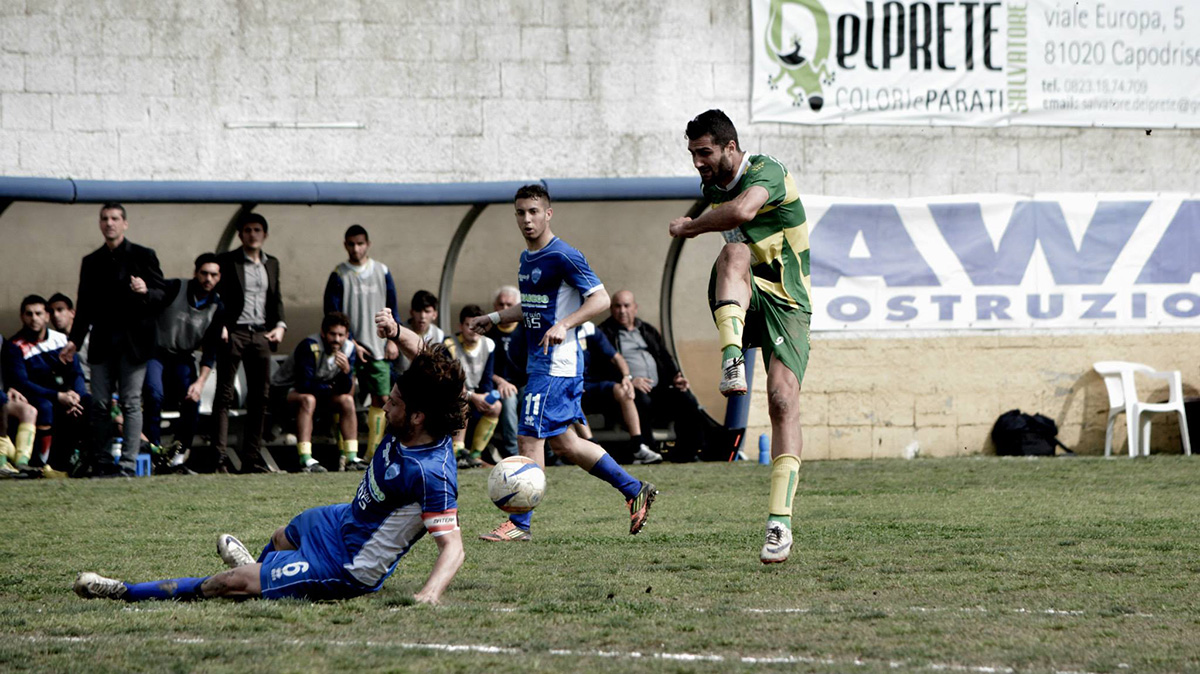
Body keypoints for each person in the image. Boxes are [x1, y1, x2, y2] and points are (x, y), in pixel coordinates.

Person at [73, 326, 466, 605]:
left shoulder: (431, 472)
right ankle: (263, 571)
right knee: (281, 536)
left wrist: (428, 594)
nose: (385, 404)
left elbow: (453, 547)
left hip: (349, 563)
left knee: (231, 583)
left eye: (394, 403)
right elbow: (431, 362)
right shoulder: (421, 408)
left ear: (417, 418)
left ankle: (125, 590)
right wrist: (397, 331)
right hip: (342, 520)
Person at [465, 184, 657, 542]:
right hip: (543, 365)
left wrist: (564, 325)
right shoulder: (527, 259)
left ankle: (519, 525)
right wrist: (492, 317)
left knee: (528, 438)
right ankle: (635, 490)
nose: (527, 219)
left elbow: (599, 299)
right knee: (566, 445)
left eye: (533, 212)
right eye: (520, 212)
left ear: (548, 213)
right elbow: (533, 305)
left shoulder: (563, 255)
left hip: (557, 366)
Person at [668, 110, 812, 564]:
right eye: (692, 153)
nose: (697, 162)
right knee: (733, 251)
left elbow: (746, 209)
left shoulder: (767, 170)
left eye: (704, 152)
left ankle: (779, 524)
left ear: (731, 147)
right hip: (744, 290)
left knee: (783, 400)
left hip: (788, 298)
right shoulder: (711, 186)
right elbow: (730, 222)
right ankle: (732, 357)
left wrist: (690, 226)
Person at [61, 203, 166, 477]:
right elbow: (83, 307)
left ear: (125, 224)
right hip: (102, 343)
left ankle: (129, 464)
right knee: (99, 403)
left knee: (131, 402)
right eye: (105, 219)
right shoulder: (91, 261)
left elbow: (161, 295)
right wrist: (74, 340)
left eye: (115, 219)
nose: (110, 223)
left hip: (134, 344)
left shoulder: (144, 255)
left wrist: (145, 291)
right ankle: (103, 461)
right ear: (100, 224)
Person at [598, 290, 709, 462]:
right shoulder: (604, 333)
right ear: (611, 309)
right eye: (617, 306)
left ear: (635, 308)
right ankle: (648, 450)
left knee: (685, 398)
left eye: (626, 306)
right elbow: (601, 367)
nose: (622, 310)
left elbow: (664, 356)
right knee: (641, 399)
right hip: (628, 392)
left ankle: (690, 451)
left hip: (659, 389)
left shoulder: (647, 330)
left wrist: (675, 378)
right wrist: (629, 381)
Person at [213, 213, 286, 474]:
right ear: (241, 234)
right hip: (234, 333)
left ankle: (251, 458)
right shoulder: (227, 261)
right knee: (224, 394)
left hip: (261, 334)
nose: (252, 234)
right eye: (247, 230)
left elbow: (276, 298)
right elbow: (216, 296)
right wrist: (219, 324)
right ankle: (218, 458)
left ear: (264, 235)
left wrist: (280, 325)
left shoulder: (272, 263)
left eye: (257, 230)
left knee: (260, 397)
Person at [323, 224, 399, 464]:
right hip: (349, 348)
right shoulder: (339, 274)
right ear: (345, 245)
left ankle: (372, 453)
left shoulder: (382, 271)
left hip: (378, 347)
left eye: (360, 243)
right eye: (351, 244)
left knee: (381, 398)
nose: (356, 248)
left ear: (368, 244)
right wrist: (350, 342)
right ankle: (345, 453)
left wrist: (393, 339)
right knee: (345, 396)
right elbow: (331, 314)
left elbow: (392, 306)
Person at [143, 253, 226, 471]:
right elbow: (149, 300)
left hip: (183, 356)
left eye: (213, 275)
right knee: (154, 394)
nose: (208, 279)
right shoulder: (175, 288)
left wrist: (199, 383)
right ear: (195, 273)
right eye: (204, 273)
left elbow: (210, 351)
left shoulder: (217, 306)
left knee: (193, 399)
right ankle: (153, 451)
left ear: (219, 278)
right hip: (157, 352)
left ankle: (179, 455)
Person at [5, 295, 89, 473]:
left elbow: (76, 373)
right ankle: (41, 464)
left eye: (38, 313)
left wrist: (77, 396)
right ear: (22, 316)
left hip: (66, 395)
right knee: (45, 407)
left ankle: (88, 459)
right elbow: (22, 383)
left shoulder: (61, 340)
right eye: (29, 314)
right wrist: (59, 397)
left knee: (90, 404)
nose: (34, 318)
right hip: (38, 396)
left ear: (46, 316)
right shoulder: (15, 345)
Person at [270, 312, 358, 473]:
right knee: (308, 399)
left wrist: (346, 372)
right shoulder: (310, 345)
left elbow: (344, 389)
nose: (336, 339)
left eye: (341, 335)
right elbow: (305, 385)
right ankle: (305, 459)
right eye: (332, 334)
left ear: (347, 335)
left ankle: (351, 457)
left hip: (319, 394)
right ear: (323, 333)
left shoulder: (349, 349)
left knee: (347, 400)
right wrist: (331, 389)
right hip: (284, 392)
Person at [577, 321, 662, 464]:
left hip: (593, 385)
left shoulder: (589, 328)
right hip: (570, 385)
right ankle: (594, 451)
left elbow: (617, 357)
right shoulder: (559, 329)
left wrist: (627, 377)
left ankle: (638, 447)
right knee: (570, 397)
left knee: (624, 390)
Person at [443, 304, 501, 468]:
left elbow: (487, 379)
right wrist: (471, 396)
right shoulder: (449, 345)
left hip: (475, 395)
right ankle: (458, 451)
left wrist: (484, 397)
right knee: (461, 401)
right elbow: (447, 382)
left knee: (496, 406)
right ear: (461, 326)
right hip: (452, 396)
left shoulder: (489, 345)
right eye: (469, 325)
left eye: (478, 325)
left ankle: (475, 455)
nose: (474, 330)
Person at [484, 285, 526, 460]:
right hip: (498, 386)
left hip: (525, 384)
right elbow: (483, 368)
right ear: (494, 307)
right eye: (500, 304)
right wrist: (500, 381)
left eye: (509, 305)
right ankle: (513, 452)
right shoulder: (488, 332)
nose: (504, 309)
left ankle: (549, 453)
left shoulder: (527, 330)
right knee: (508, 401)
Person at [0, 333, 39, 478]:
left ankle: (22, 462)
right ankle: (2, 461)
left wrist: (11, 387)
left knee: (29, 411)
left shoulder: (4, 343)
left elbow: (11, 373)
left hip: (2, 396)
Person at [392, 290, 444, 379]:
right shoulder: (400, 330)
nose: (422, 316)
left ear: (434, 314)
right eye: (418, 311)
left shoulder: (438, 334)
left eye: (427, 311)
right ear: (412, 312)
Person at [46, 293, 89, 389]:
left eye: (60, 310)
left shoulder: (89, 338)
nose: (55, 315)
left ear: (72, 313)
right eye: (51, 312)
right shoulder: (51, 343)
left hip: (93, 387)